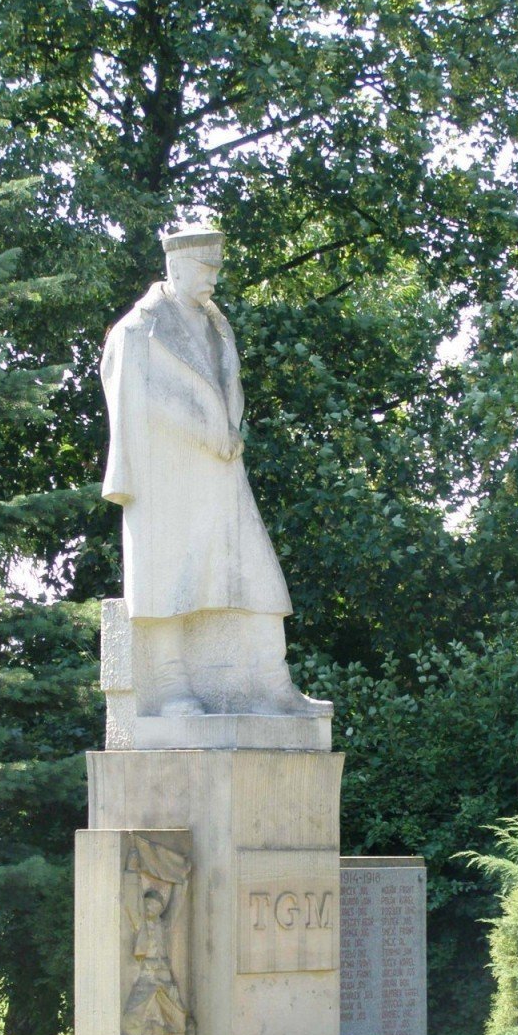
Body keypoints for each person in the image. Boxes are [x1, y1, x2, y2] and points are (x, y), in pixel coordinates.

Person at [100, 221, 327, 717]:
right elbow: (136, 402)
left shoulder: (216, 323)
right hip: (165, 479)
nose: (212, 279)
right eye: (204, 269)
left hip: (221, 473)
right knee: (167, 584)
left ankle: (274, 683)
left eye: (216, 270)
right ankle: (171, 687)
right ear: (175, 266)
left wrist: (225, 432)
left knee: (257, 574)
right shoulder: (138, 330)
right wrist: (203, 432)